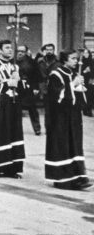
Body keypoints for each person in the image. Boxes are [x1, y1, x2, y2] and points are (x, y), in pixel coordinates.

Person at [45, 50, 91, 190]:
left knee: (74, 144)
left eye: (76, 59)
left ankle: (77, 177)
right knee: (62, 145)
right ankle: (61, 179)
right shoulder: (56, 74)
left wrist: (80, 86)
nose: (76, 61)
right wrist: (72, 84)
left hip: (73, 116)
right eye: (72, 59)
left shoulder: (74, 73)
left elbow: (78, 97)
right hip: (59, 117)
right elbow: (56, 95)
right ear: (64, 60)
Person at [0, 40, 26, 179]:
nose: (10, 50)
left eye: (11, 48)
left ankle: (13, 168)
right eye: (7, 48)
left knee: (14, 133)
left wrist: (20, 81)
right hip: (0, 105)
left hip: (13, 104)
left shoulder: (14, 66)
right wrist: (7, 84)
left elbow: (21, 87)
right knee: (2, 133)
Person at [17, 45, 41, 135]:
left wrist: (35, 88)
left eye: (22, 51)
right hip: (17, 88)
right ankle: (17, 129)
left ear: (26, 52)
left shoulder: (32, 62)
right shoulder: (13, 61)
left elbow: (36, 76)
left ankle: (37, 128)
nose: (20, 53)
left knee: (32, 109)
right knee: (17, 110)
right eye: (18, 51)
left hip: (29, 88)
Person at [37, 43, 61, 129]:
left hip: (55, 87)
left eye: (51, 50)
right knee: (47, 108)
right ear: (45, 50)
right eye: (47, 50)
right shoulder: (40, 61)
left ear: (53, 50)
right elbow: (37, 74)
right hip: (45, 87)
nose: (49, 51)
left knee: (56, 107)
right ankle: (48, 127)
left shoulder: (58, 61)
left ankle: (56, 126)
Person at [81, 48, 94, 117]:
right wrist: (85, 71)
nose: (85, 54)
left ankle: (89, 109)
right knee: (85, 95)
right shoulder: (81, 61)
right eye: (84, 53)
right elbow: (79, 72)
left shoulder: (92, 61)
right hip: (84, 81)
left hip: (90, 80)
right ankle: (85, 109)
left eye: (87, 53)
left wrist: (90, 71)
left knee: (90, 95)